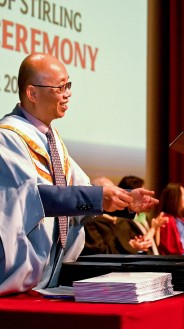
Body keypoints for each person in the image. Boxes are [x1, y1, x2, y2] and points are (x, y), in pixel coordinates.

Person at [0, 53, 158, 296]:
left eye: (68, 85)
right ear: (32, 93)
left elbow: (81, 187)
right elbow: (33, 196)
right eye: (60, 86)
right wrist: (98, 197)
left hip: (47, 281)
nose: (68, 93)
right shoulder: (8, 137)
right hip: (14, 282)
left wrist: (125, 199)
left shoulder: (50, 139)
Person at [114, 175, 168, 254]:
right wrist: (153, 228)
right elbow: (139, 244)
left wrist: (157, 227)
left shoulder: (144, 218)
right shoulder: (123, 220)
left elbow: (154, 244)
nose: (146, 197)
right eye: (142, 193)